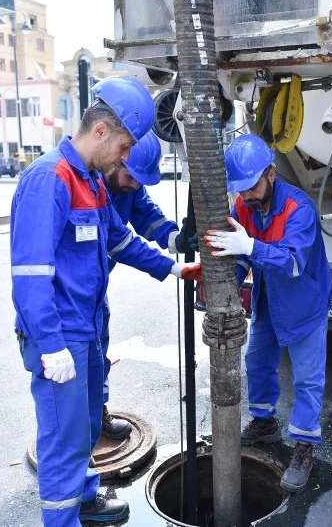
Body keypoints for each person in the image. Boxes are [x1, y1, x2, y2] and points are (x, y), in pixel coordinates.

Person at [10, 76, 202, 526]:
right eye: (124, 147)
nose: (125, 157)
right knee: (63, 439)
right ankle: (63, 519)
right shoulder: (50, 179)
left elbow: (119, 241)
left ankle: (85, 497)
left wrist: (173, 268)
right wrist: (51, 344)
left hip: (89, 325)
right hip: (60, 335)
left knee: (86, 430)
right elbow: (30, 275)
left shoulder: (93, 183)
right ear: (101, 132)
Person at [204, 134, 332, 493]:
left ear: (271, 174)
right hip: (268, 301)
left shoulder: (299, 209)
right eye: (240, 190)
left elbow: (291, 262)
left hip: (304, 305)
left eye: (252, 186)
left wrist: (251, 246)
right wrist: (221, 277)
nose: (246, 196)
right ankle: (264, 422)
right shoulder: (244, 206)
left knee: (306, 380)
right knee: (258, 362)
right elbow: (240, 253)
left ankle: (305, 445)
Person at [98, 131, 197, 440]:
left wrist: (174, 238)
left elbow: (148, 216)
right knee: (73, 366)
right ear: (117, 157)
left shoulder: (127, 184)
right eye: (131, 176)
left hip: (95, 285)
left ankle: (97, 413)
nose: (135, 184)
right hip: (68, 291)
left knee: (98, 348)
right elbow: (123, 244)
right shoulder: (88, 185)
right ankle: (73, 438)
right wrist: (173, 267)